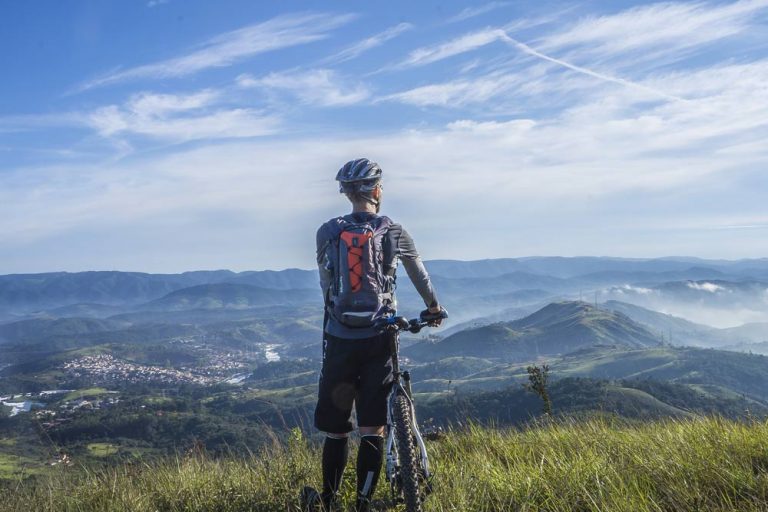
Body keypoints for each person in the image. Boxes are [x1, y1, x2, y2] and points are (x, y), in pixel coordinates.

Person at [312, 158, 444, 512]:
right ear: (376, 190)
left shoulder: (327, 232)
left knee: (337, 430)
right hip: (379, 338)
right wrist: (433, 308)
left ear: (347, 192)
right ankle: (363, 502)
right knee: (373, 427)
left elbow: (326, 284)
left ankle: (328, 501)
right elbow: (420, 277)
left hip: (339, 339)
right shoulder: (394, 231)